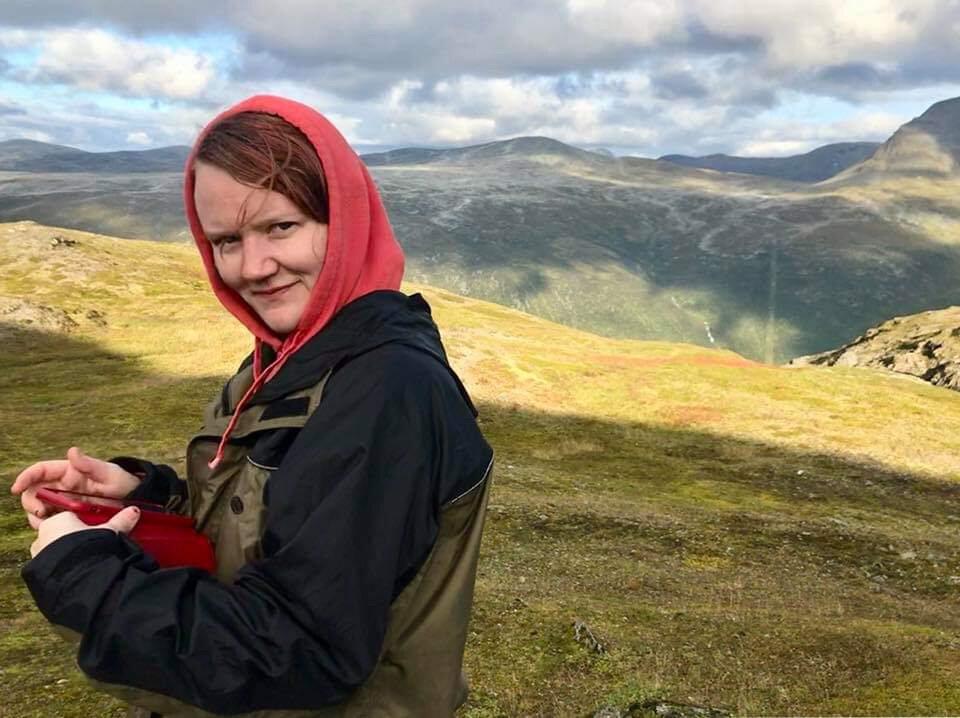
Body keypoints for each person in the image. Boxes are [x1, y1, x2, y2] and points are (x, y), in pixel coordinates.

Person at [11, 95, 494, 718]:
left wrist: (82, 576)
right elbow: (280, 529)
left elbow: (296, 650)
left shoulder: (385, 392)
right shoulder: (292, 354)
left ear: (342, 220)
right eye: (226, 240)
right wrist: (143, 496)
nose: (254, 267)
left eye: (280, 226)